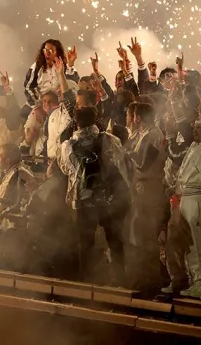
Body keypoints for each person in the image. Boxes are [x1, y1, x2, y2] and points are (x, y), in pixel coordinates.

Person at [59, 106, 131, 284]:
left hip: (83, 200)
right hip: (109, 198)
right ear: (95, 119)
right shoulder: (110, 139)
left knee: (86, 243)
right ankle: (121, 279)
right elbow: (121, 163)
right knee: (114, 241)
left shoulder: (68, 145)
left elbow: (65, 169)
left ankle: (87, 281)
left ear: (76, 122)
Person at [165, 120, 201, 298]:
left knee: (200, 243)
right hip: (184, 197)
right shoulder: (193, 146)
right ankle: (196, 280)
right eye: (194, 129)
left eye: (200, 130)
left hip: (198, 197)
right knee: (188, 244)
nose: (195, 132)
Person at [125, 101, 167, 294]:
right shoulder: (145, 134)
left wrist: (127, 154)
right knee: (141, 233)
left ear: (138, 117)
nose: (132, 119)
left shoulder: (152, 134)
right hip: (144, 186)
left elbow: (143, 163)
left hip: (150, 187)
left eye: (133, 116)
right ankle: (145, 276)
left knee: (147, 234)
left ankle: (152, 278)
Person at [24, 39, 78, 106]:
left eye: (50, 51)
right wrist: (36, 104)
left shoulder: (63, 65)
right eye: (45, 50)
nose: (47, 53)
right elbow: (28, 87)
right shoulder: (36, 67)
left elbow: (72, 84)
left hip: (60, 103)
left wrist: (70, 64)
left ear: (57, 52)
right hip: (42, 104)